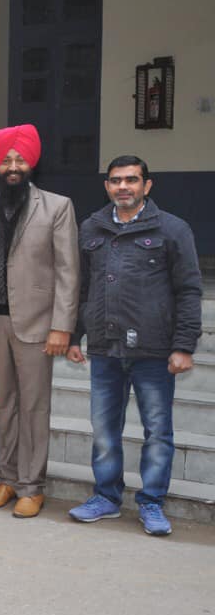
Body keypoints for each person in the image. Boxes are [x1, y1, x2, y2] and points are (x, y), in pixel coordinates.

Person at [67, 155, 201, 537]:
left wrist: (183, 345)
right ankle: (106, 497)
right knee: (103, 429)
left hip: (154, 350)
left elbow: (189, 290)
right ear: (107, 186)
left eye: (131, 179)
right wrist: (75, 335)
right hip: (105, 348)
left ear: (147, 185)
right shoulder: (91, 227)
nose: (123, 186)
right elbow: (82, 287)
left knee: (157, 431)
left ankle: (152, 502)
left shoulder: (172, 229)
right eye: (115, 180)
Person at [0, 125, 78, 519]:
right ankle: (8, 479)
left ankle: (33, 486)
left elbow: (68, 270)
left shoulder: (57, 206)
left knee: (34, 407)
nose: (13, 166)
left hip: (37, 323)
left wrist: (62, 326)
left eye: (19, 159)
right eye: (5, 160)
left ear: (31, 162)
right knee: (4, 405)